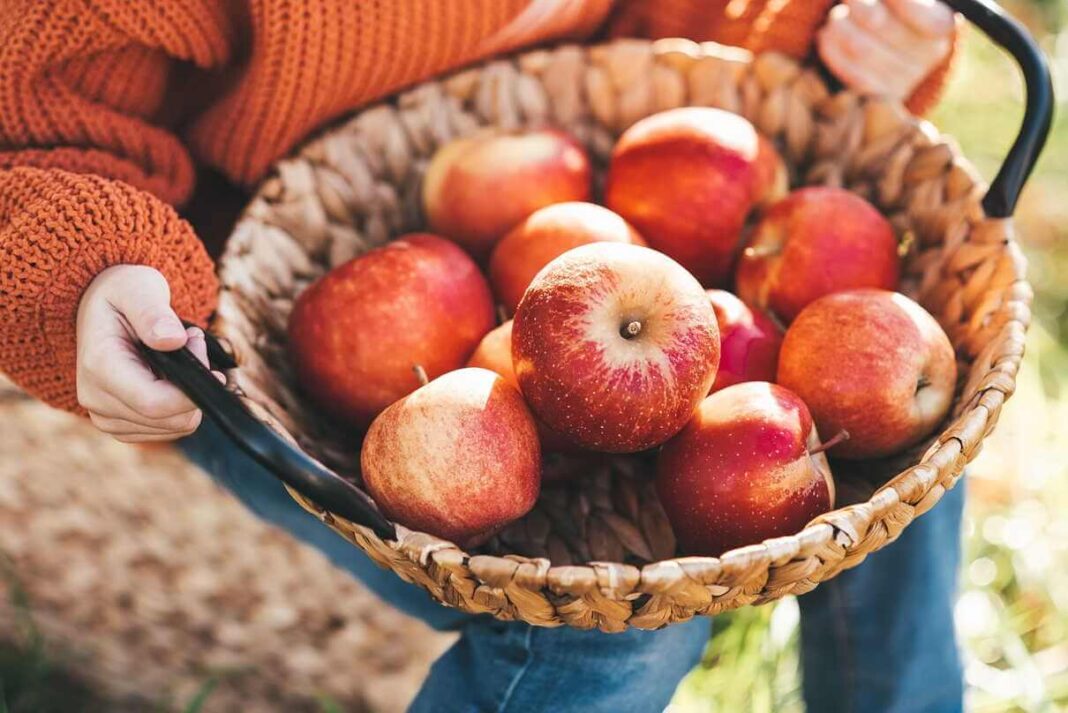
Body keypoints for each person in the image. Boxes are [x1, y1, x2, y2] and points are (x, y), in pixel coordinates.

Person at [0, 1, 961, 711]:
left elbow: (697, 30)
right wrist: (86, 270)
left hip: (590, 213)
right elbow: (39, 113)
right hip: (234, 306)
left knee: (897, 454)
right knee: (597, 639)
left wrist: (844, 38)